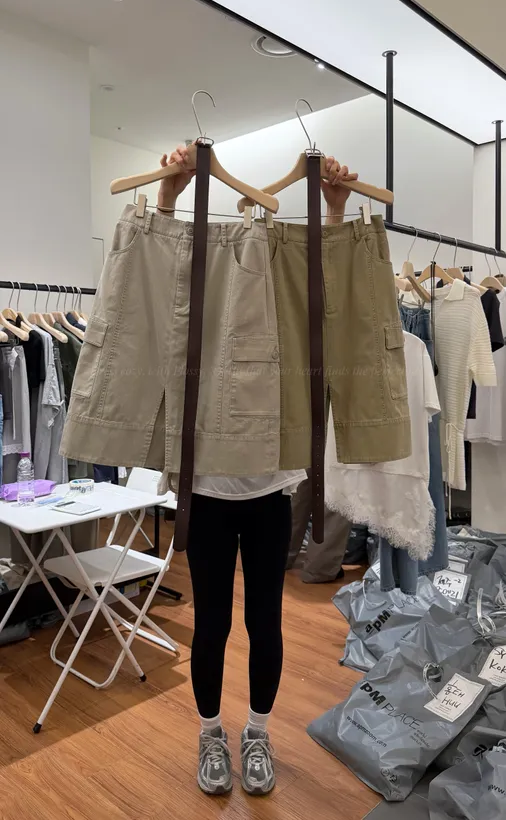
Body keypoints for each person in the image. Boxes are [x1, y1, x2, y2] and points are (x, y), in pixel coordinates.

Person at [157, 145, 357, 796]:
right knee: (212, 623)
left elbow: (326, 291)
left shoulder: (281, 288)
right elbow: (163, 277)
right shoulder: (204, 285)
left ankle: (258, 732)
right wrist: (169, 196)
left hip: (270, 489)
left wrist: (334, 212)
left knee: (264, 621)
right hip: (208, 490)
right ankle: (211, 732)